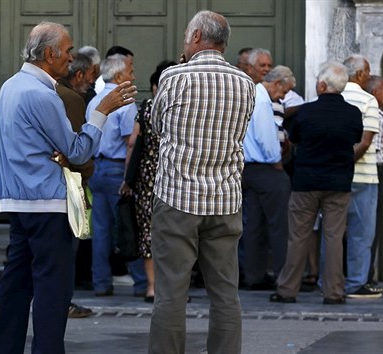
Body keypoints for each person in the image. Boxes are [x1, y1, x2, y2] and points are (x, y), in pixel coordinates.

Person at [0, 21, 137, 354]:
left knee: (16, 284)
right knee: (52, 291)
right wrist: (102, 111)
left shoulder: (12, 86)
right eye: (67, 51)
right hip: (46, 203)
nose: (71, 58)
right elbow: (78, 150)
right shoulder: (41, 93)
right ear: (49, 53)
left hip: (18, 200)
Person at [148, 10, 255, 354]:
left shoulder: (174, 77)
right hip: (225, 198)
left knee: (171, 293)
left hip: (177, 195)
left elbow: (157, 126)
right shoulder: (245, 83)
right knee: (225, 293)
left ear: (195, 38)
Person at [270, 61, 363, 305]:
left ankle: (287, 289)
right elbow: (355, 138)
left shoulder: (305, 112)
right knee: (333, 238)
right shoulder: (353, 113)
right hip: (339, 182)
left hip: (306, 182)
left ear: (321, 85)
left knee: (298, 236)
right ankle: (334, 292)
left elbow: (296, 138)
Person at [86, 53, 147, 298]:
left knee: (101, 230)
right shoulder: (124, 100)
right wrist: (129, 178)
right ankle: (143, 282)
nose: (133, 76)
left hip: (96, 167)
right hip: (115, 168)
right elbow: (130, 142)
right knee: (126, 225)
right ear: (119, 75)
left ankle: (100, 282)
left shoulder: (94, 101)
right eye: (130, 72)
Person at [120, 60, 176, 303]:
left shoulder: (147, 107)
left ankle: (152, 287)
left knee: (148, 231)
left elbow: (133, 143)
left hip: (147, 179)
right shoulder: (182, 107)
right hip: (176, 177)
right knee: (176, 233)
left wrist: (127, 178)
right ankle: (175, 289)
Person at [241, 65, 295, 290]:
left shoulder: (250, 94)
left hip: (248, 170)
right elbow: (266, 138)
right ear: (277, 83)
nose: (282, 97)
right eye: (283, 92)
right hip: (267, 169)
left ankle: (253, 275)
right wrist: (277, 162)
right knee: (279, 225)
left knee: (252, 225)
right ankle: (284, 277)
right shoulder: (263, 101)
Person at [337, 54, 383, 299]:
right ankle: (355, 283)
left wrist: (338, 165)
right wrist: (347, 163)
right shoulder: (368, 100)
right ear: (362, 74)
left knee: (332, 232)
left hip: (334, 176)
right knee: (361, 232)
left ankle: (330, 281)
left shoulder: (334, 97)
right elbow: (366, 143)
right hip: (364, 176)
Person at [56, 53, 95, 318]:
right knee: (65, 251)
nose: (93, 83)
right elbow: (79, 149)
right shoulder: (70, 98)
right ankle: (61, 301)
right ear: (79, 75)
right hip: (68, 182)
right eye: (91, 76)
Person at [366, 75, 383, 292]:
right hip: (371, 173)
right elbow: (374, 149)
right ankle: (366, 277)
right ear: (375, 93)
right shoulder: (376, 116)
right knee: (367, 228)